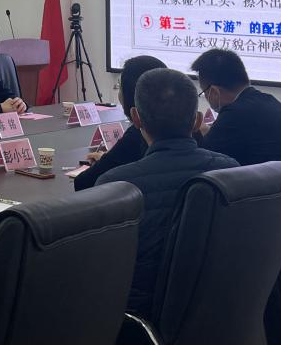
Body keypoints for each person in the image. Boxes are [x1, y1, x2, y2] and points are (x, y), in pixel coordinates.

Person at [97, 68, 237, 320]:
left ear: (136, 118)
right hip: (217, 313)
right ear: (197, 121)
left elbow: (101, 268)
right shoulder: (231, 170)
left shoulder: (115, 184)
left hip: (136, 318)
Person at [191, 48, 281, 172]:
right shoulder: (265, 100)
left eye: (204, 92)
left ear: (214, 92)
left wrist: (196, 131)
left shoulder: (235, 114)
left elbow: (202, 162)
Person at [73, 55, 164, 191]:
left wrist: (106, 162)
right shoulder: (186, 131)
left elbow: (83, 183)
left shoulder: (136, 135)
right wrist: (108, 159)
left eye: (119, 86)